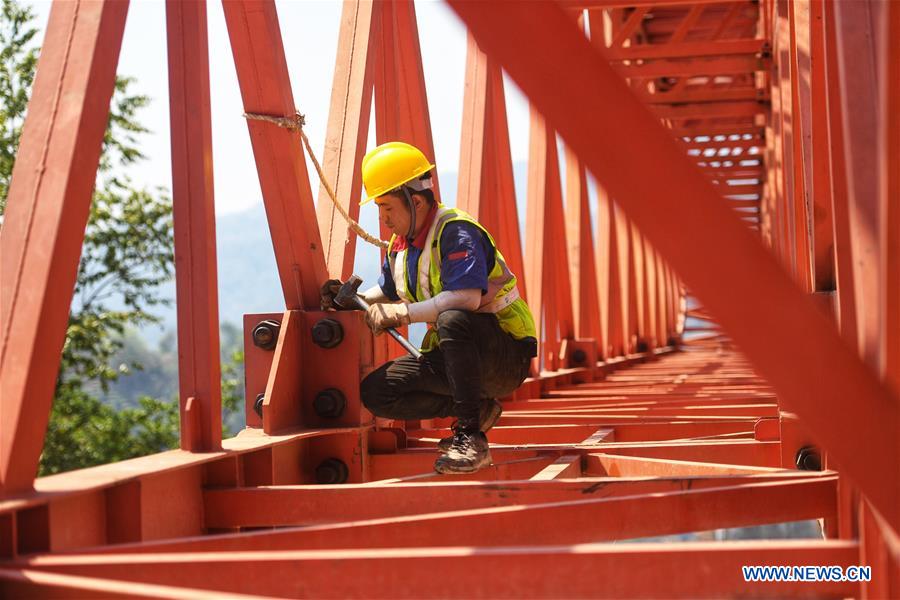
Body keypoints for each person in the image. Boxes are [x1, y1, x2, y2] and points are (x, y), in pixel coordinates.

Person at [321, 141, 537, 474]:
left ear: (416, 201)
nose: (383, 219)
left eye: (388, 208)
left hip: (504, 355)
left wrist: (402, 314)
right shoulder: (401, 247)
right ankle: (476, 407)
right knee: (377, 392)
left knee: (453, 319)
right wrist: (351, 301)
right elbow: (389, 292)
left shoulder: (456, 232)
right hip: (461, 360)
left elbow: (465, 299)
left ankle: (470, 439)